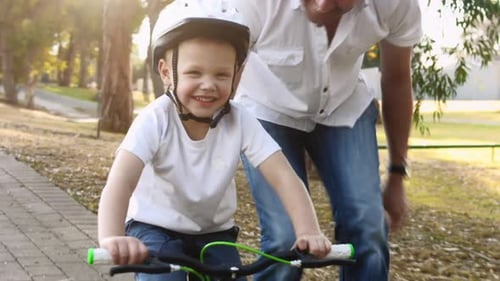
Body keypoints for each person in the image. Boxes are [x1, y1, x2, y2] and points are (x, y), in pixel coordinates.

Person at [96, 1, 332, 280]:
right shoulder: (156, 118)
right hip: (155, 228)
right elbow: (121, 180)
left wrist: (308, 231)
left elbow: (284, 177)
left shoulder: (240, 119)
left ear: (238, 74)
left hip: (214, 234)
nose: (208, 85)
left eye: (221, 74)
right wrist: (112, 237)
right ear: (166, 71)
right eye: (194, 73)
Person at [230, 0, 423, 280]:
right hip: (266, 106)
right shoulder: (250, 5)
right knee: (285, 239)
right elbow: (215, 69)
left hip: (343, 107)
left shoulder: (395, 5)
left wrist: (396, 173)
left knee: (368, 227)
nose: (321, 5)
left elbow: (397, 80)